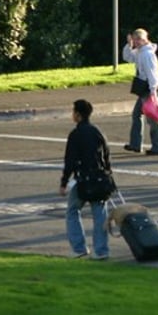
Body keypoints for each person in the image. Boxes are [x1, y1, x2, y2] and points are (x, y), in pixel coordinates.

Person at [59, 99, 112, 259]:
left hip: (83, 180)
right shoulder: (97, 132)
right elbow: (106, 155)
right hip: (100, 179)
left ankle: (79, 248)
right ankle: (101, 250)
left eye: (73, 112)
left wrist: (64, 183)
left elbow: (70, 161)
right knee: (100, 214)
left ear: (78, 115)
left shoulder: (75, 135)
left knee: (73, 211)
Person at [122, 28, 158, 156]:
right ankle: (136, 144)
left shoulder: (147, 54)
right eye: (134, 41)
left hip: (149, 90)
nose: (135, 43)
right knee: (137, 115)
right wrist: (128, 45)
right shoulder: (141, 52)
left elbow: (153, 75)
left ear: (143, 40)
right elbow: (127, 57)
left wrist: (153, 92)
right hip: (145, 90)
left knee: (152, 119)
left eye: (136, 41)